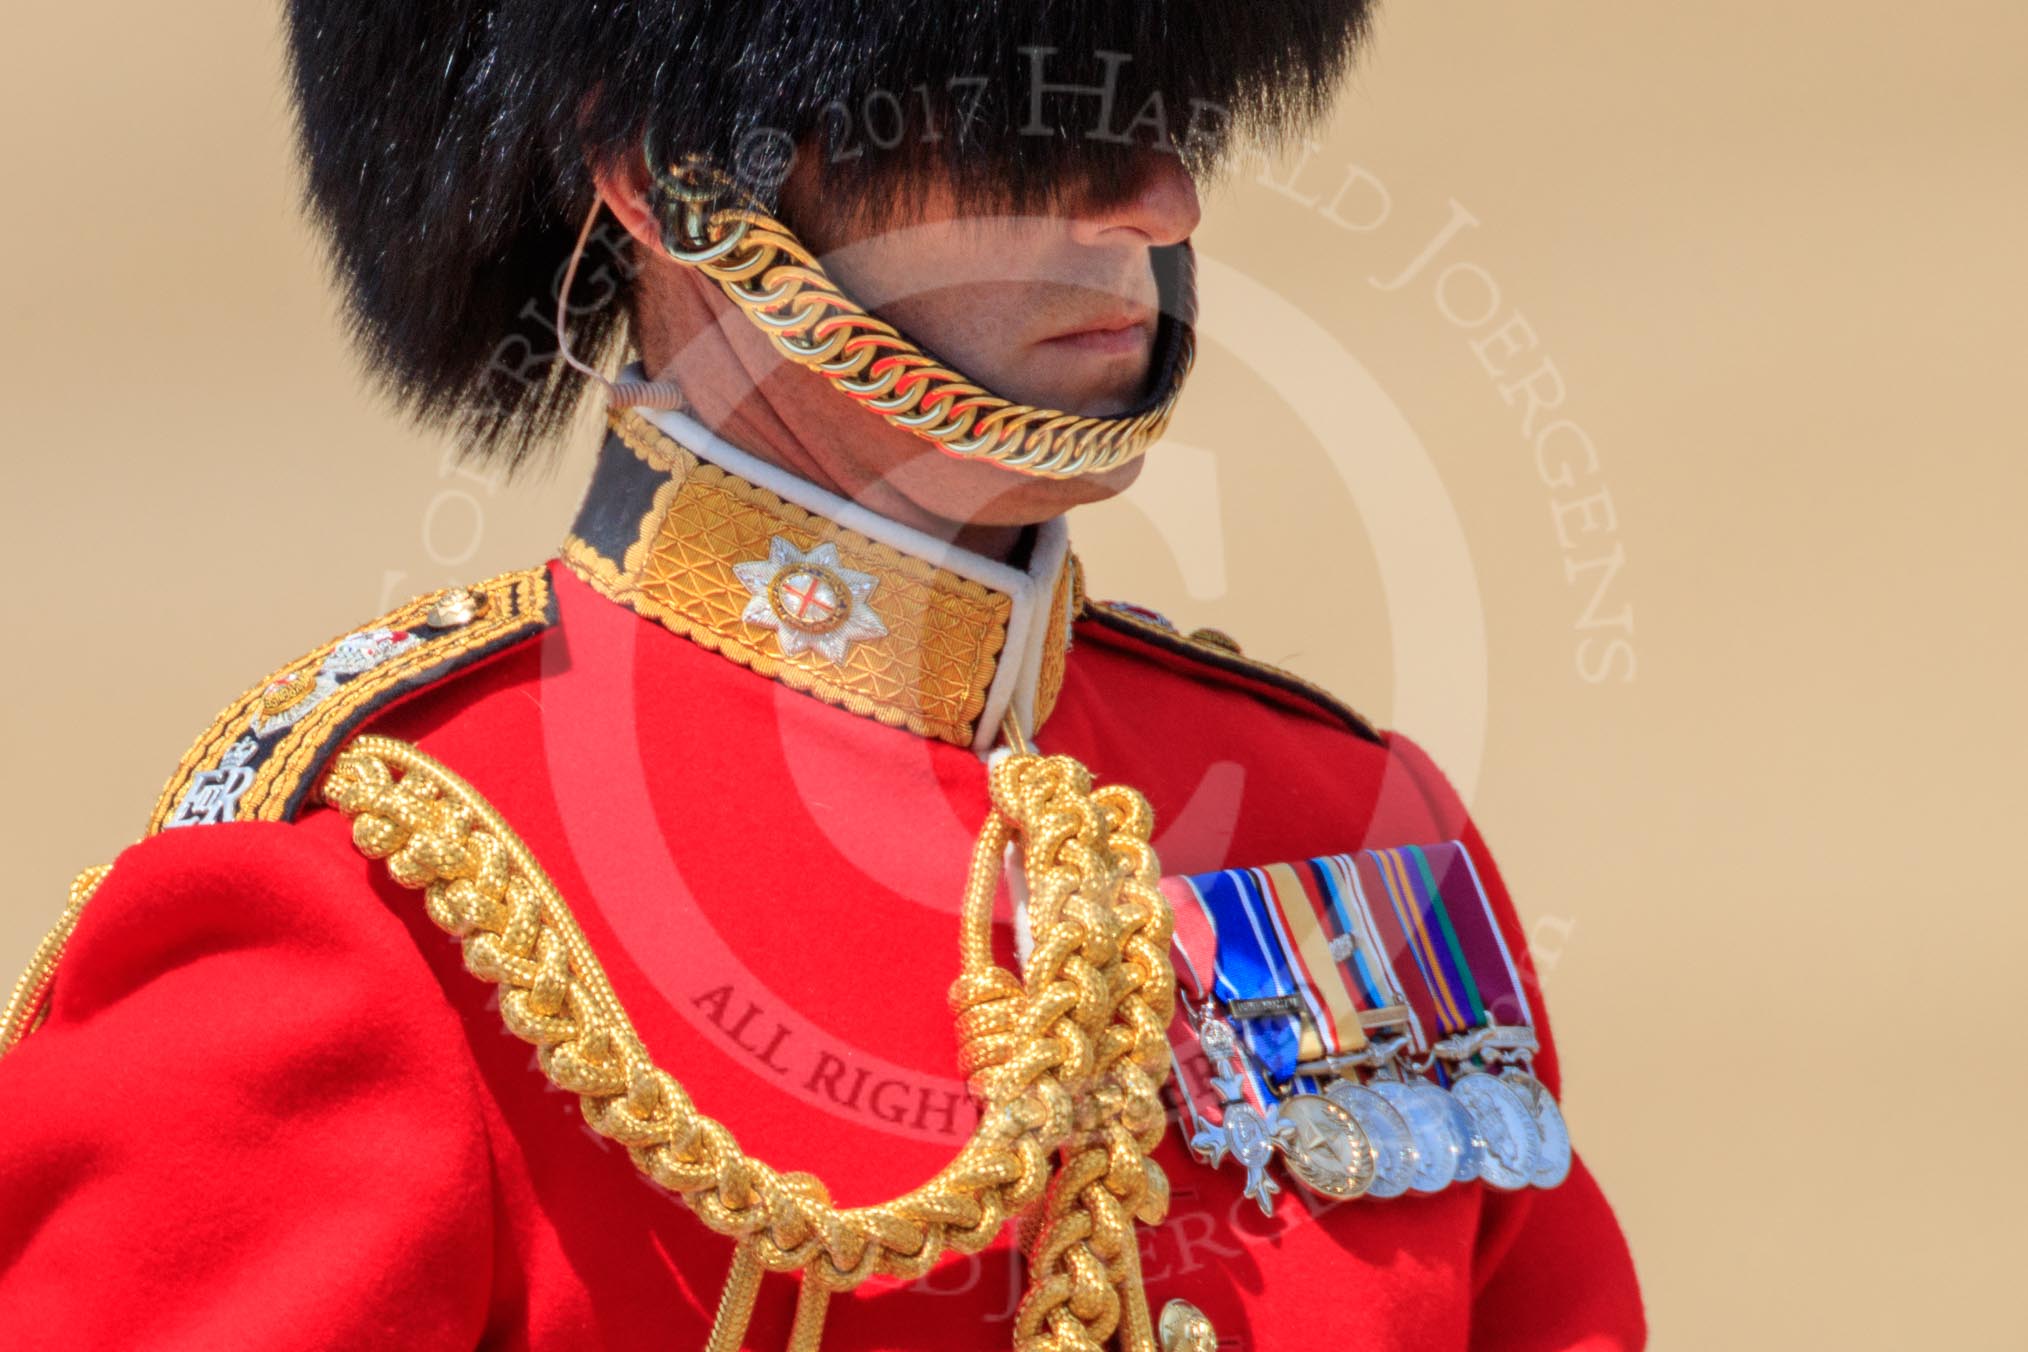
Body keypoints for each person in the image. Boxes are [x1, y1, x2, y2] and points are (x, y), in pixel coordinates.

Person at [0, 2, 1644, 1348]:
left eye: (1171, 112)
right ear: (664, 176)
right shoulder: (372, 903)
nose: (1157, 200)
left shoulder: (1349, 825)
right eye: (1021, 123)